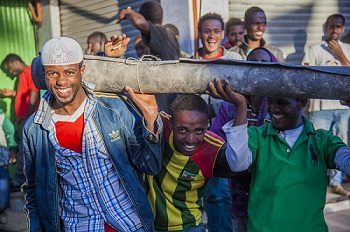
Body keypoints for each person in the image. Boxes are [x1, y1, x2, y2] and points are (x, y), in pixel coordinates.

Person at [22, 36, 164, 232]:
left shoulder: (112, 110)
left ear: (82, 71)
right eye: (53, 73)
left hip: (130, 225)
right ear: (44, 75)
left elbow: (150, 166)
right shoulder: (35, 129)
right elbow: (33, 191)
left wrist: (150, 120)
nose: (62, 81)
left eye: (69, 72)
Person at [207, 78, 350, 232]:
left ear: (302, 103)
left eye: (282, 103)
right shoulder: (257, 136)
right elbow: (237, 164)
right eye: (269, 101)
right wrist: (241, 105)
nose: (273, 109)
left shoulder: (323, 141)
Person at [145, 94, 248, 231]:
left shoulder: (214, 150)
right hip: (146, 225)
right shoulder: (158, 125)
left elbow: (245, 174)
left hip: (188, 227)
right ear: (171, 124)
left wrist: (241, 105)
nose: (190, 139)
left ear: (206, 126)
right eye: (182, 130)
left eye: (198, 131)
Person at [210, 47, 277, 232]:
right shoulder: (230, 103)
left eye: (264, 63)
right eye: (252, 62)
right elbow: (216, 140)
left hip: (269, 184)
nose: (258, 67)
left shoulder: (278, 103)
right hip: (237, 187)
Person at [195, 12, 243, 232]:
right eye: (207, 31)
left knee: (237, 193)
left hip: (233, 137)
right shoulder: (190, 63)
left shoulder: (235, 60)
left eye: (216, 31)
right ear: (199, 34)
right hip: (202, 140)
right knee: (214, 196)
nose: (211, 36)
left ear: (223, 34)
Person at [302, 14, 350, 196]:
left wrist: (339, 54)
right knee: (316, 145)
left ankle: (335, 183)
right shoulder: (314, 49)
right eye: (332, 26)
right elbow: (307, 76)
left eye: (338, 27)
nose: (335, 30)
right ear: (326, 28)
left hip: (344, 107)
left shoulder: (347, 48)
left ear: (343, 29)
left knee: (341, 145)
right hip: (321, 108)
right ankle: (316, 182)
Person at [117, 1, 180, 113]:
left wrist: (128, 12)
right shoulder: (168, 38)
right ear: (162, 19)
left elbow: (139, 22)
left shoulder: (161, 33)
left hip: (165, 112)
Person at [1, 54, 40, 190]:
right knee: (27, 150)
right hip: (25, 119)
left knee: (24, 151)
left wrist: (29, 117)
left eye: (10, 69)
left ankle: (19, 181)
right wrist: (12, 94)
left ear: (16, 62)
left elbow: (34, 93)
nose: (10, 73)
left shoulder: (30, 71)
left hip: (29, 118)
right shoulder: (23, 75)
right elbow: (25, 94)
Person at [0, 108, 17, 225]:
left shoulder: (1, 116)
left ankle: (1, 210)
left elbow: (11, 131)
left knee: (3, 190)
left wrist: (13, 148)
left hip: (1, 160)